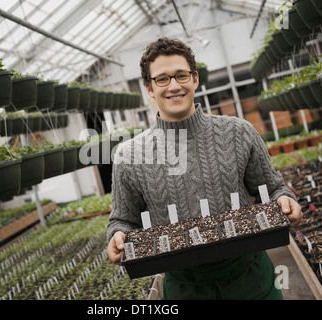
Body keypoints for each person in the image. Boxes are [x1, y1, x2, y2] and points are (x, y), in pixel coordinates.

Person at [106, 37, 302, 300]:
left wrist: (286, 199)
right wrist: (118, 236)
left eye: (181, 75)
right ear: (149, 89)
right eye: (162, 79)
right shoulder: (129, 156)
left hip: (250, 279)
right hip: (186, 289)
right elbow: (122, 220)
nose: (174, 86)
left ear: (195, 79)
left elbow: (274, 188)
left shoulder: (238, 132)